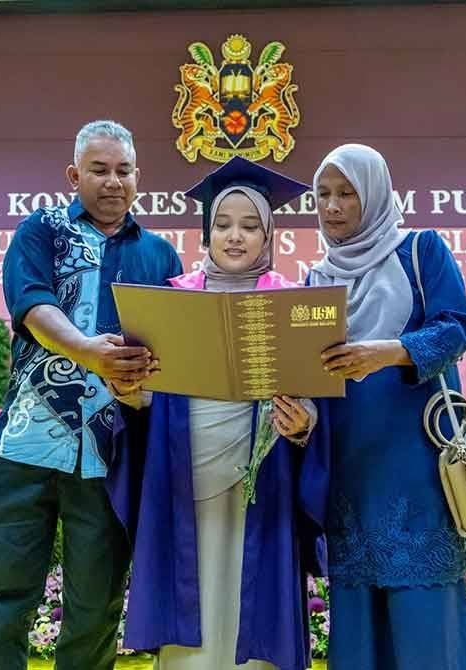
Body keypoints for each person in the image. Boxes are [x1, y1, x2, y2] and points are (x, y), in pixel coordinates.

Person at [0, 120, 183, 670]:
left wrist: (145, 387)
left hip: (110, 458)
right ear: (74, 175)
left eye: (124, 171)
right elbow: (33, 306)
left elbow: (178, 354)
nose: (113, 182)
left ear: (138, 176)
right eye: (99, 170)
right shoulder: (38, 232)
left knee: (96, 607)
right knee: (6, 596)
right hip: (24, 448)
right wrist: (89, 352)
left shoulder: (161, 258)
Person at [107, 156, 330, 670]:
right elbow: (148, 396)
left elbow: (313, 398)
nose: (235, 237)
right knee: (196, 581)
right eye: (222, 225)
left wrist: (305, 425)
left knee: (251, 585)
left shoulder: (292, 303)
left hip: (263, 477)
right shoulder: (171, 301)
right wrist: (127, 389)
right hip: (184, 471)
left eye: (250, 226)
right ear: (205, 234)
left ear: (269, 236)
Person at [309, 144, 466, 670]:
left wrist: (387, 352)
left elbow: (455, 327)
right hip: (349, 464)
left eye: (346, 194)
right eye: (323, 195)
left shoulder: (421, 251)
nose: (333, 207)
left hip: (416, 460)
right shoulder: (316, 279)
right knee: (357, 609)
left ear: (376, 194)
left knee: (421, 604)